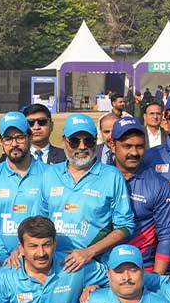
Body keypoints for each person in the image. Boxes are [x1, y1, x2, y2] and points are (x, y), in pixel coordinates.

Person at [40, 113, 134, 269]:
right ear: (64, 140)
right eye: (75, 141)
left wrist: (89, 252)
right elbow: (40, 222)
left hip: (92, 266)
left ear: (96, 140)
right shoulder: (50, 174)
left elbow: (125, 226)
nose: (82, 147)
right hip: (53, 266)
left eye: (88, 140)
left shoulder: (111, 176)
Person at [110, 117, 170, 274]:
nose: (134, 152)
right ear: (113, 145)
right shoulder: (99, 178)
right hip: (103, 269)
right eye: (127, 146)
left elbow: (166, 238)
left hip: (141, 270)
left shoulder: (159, 185)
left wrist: (156, 278)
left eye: (139, 147)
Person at [0, 112, 45, 269]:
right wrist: (5, 257)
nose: (14, 144)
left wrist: (31, 253)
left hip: (41, 260)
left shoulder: (50, 174)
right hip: (5, 263)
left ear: (29, 137)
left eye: (19, 137)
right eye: (8, 139)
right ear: (1, 142)